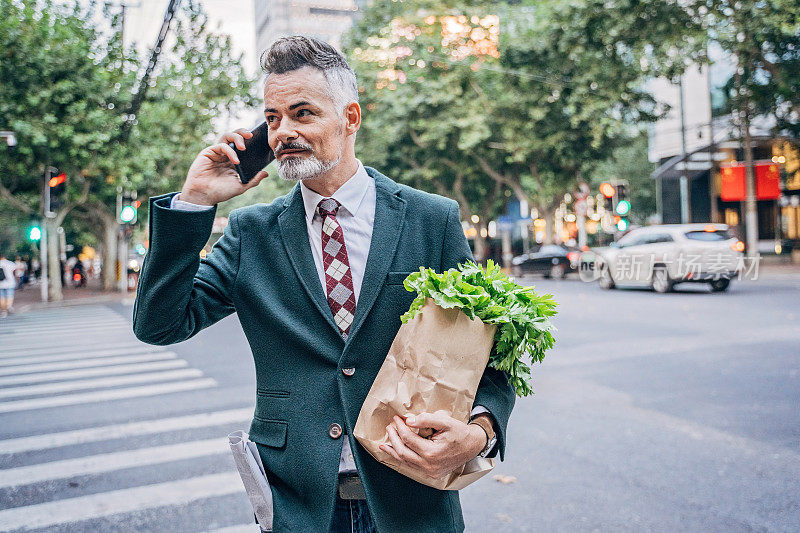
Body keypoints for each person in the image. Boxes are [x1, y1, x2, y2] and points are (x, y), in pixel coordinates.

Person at [133, 36, 515, 532]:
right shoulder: (251, 234)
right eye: (272, 118)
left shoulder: (430, 219)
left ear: (350, 118)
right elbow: (159, 325)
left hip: (412, 498)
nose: (282, 132)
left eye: (302, 113)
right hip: (302, 507)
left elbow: (491, 344)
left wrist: (479, 431)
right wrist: (194, 202)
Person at [0, 252, 18, 318]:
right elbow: (15, 272)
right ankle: (9, 306)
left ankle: (4, 311)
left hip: (1, 284)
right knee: (10, 295)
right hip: (10, 282)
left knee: (2, 298)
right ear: (5, 257)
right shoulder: (10, 263)